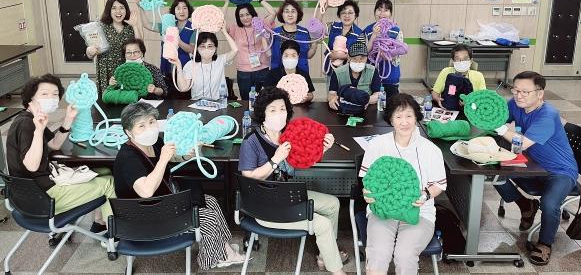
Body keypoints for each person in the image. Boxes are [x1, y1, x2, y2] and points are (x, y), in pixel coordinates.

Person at [113, 102, 244, 269]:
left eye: (152, 122)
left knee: (211, 201)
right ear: (128, 132)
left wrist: (185, 156)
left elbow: (170, 159)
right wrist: (163, 159)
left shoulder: (154, 143)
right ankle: (210, 260)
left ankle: (223, 249)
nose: (149, 129)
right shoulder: (128, 158)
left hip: (161, 203)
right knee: (209, 219)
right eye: (141, 126)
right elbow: (146, 191)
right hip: (145, 218)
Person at [238, 87, 349, 275]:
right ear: (262, 114)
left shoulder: (288, 135)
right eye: (273, 110)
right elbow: (247, 180)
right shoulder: (251, 142)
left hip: (286, 196)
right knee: (322, 224)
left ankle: (325, 256)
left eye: (282, 109)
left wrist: (322, 148)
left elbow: (301, 162)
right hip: (262, 205)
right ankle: (338, 271)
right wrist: (275, 160)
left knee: (333, 204)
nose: (279, 114)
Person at [6, 74, 115, 233]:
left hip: (30, 193)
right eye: (44, 94)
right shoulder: (27, 125)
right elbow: (32, 165)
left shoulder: (28, 118)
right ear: (30, 98)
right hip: (43, 197)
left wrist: (68, 119)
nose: (51, 98)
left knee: (104, 171)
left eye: (55, 94)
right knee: (109, 182)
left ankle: (100, 222)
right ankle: (114, 235)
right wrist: (39, 130)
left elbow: (54, 144)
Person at [493, 71, 578, 266]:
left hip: (560, 171)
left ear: (540, 94)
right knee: (493, 174)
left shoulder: (548, 115)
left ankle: (545, 244)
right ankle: (526, 206)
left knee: (549, 203)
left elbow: (522, 143)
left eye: (525, 92)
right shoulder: (515, 104)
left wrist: (499, 128)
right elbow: (500, 117)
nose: (519, 95)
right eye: (515, 90)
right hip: (532, 164)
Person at [360, 93, 446, 275]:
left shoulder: (431, 150)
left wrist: (425, 195)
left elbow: (439, 185)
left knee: (404, 255)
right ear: (391, 119)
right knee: (378, 254)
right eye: (398, 117)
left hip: (420, 212)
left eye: (409, 116)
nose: (404, 122)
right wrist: (368, 193)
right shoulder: (377, 145)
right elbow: (368, 181)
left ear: (416, 118)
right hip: (383, 211)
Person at [138, 0, 196, 99]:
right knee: (167, 101)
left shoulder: (194, 28)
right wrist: (140, 7)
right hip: (166, 70)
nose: (181, 11)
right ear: (174, 11)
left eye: (184, 8)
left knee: (183, 101)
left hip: (184, 73)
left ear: (189, 10)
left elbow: (191, 49)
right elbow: (146, 24)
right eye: (178, 8)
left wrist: (177, 40)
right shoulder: (167, 24)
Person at [223, 0, 276, 100]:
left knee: (266, 100)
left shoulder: (260, 24)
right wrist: (226, 3)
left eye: (248, 14)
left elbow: (273, 13)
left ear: (252, 14)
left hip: (262, 69)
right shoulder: (234, 29)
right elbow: (220, 21)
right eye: (241, 15)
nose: (245, 18)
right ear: (238, 17)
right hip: (244, 73)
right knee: (246, 101)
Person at [86, 0, 141, 96]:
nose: (118, 11)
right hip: (106, 71)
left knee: (127, 98)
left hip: (126, 69)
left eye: (121, 8)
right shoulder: (100, 27)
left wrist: (135, 26)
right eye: (114, 8)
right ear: (109, 10)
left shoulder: (130, 27)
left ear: (126, 10)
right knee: (108, 100)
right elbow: (90, 53)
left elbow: (140, 47)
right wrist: (90, 51)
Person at [170, 29, 238, 101]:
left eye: (210, 46)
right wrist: (178, 65)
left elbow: (235, 50)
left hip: (218, 103)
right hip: (197, 103)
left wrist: (224, 31)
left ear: (215, 48)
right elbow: (183, 88)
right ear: (197, 49)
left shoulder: (220, 60)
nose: (206, 49)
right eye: (202, 46)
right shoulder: (190, 65)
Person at [363, 0, 406, 97]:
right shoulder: (367, 30)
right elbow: (364, 52)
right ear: (374, 12)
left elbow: (401, 50)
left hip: (390, 76)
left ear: (390, 13)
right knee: (372, 104)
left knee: (392, 103)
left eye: (386, 10)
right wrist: (374, 35)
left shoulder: (396, 30)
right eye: (379, 9)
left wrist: (388, 54)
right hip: (371, 75)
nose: (382, 13)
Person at [328, 41, 381, 111]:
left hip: (366, 109)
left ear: (367, 58)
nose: (358, 62)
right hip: (344, 108)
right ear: (349, 58)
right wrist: (332, 99)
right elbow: (332, 92)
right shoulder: (337, 72)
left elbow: (377, 93)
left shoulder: (373, 71)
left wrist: (367, 100)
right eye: (354, 58)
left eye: (362, 58)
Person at [270, 0, 319, 73]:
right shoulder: (274, 33)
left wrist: (315, 43)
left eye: (293, 11)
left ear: (298, 14)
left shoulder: (304, 32)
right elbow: (269, 54)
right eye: (286, 11)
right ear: (282, 14)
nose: (290, 14)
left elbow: (308, 55)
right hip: (278, 73)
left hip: (301, 73)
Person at [431, 44, 486, 108]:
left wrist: (470, 102)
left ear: (471, 61)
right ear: (453, 61)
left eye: (465, 59)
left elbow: (483, 98)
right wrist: (437, 99)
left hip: (470, 109)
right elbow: (435, 93)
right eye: (457, 59)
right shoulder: (445, 72)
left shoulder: (478, 76)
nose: (461, 62)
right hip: (449, 107)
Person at [325, 0, 362, 74]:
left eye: (350, 13)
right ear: (339, 15)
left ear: (355, 15)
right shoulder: (332, 26)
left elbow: (359, 56)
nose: (346, 15)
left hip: (349, 73)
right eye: (343, 13)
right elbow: (317, 29)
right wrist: (322, 10)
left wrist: (339, 56)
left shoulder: (360, 34)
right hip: (330, 70)